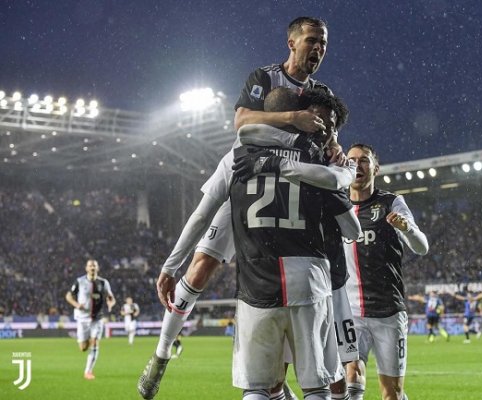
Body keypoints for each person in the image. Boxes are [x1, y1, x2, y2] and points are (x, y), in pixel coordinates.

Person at [138, 86, 355, 400]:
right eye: (319, 120)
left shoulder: (316, 138)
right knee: (200, 269)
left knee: (267, 381)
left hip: (274, 260)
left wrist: (330, 147)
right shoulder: (268, 83)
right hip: (250, 189)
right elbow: (243, 120)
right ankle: (161, 354)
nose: (324, 127)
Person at [228, 94, 360, 399]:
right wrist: (340, 182)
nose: (322, 129)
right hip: (311, 279)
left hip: (257, 280)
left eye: (329, 126)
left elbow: (245, 129)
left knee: (259, 385)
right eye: (319, 121)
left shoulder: (242, 152)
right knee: (317, 382)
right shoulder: (319, 166)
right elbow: (352, 229)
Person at [343, 144, 429, 400]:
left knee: (392, 392)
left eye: (364, 160)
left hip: (388, 311)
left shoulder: (391, 202)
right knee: (352, 375)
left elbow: (421, 247)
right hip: (351, 311)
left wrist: (407, 228)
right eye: (352, 160)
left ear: (375, 168)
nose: (357, 165)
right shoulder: (337, 205)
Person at [65, 259, 116, 380]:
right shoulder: (80, 281)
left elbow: (111, 297)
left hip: (97, 318)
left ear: (97, 268)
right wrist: (77, 305)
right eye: (90, 265)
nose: (92, 267)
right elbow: (68, 296)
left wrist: (110, 303)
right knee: (83, 348)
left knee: (95, 343)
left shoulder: (103, 283)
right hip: (82, 318)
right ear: (86, 268)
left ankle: (88, 371)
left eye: (94, 265)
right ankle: (87, 342)